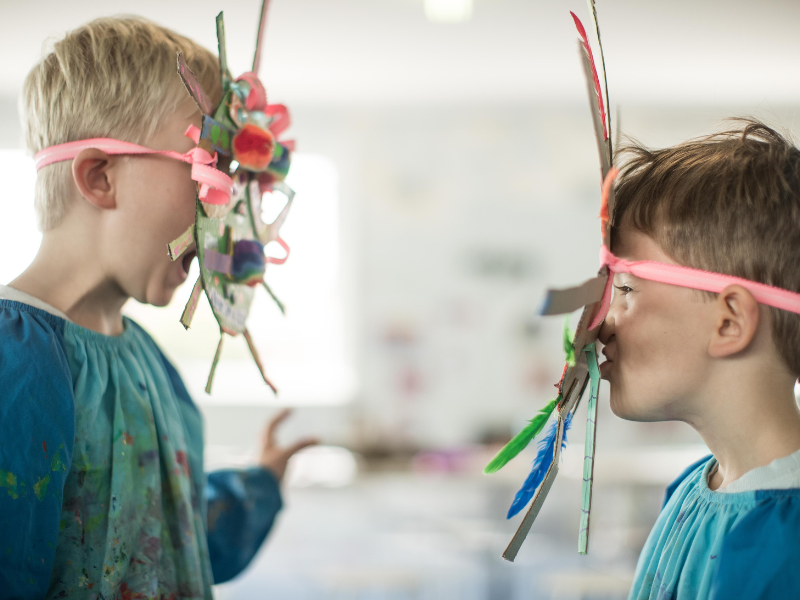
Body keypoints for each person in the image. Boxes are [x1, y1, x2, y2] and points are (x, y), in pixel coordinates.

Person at [0, 17, 315, 599]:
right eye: (212, 172)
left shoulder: (146, 358)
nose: (227, 217)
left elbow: (176, 536)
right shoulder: (14, 365)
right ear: (100, 177)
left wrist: (258, 484)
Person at [597, 120, 800, 599]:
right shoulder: (693, 490)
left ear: (729, 321)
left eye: (626, 289)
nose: (603, 322)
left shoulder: (786, 545)